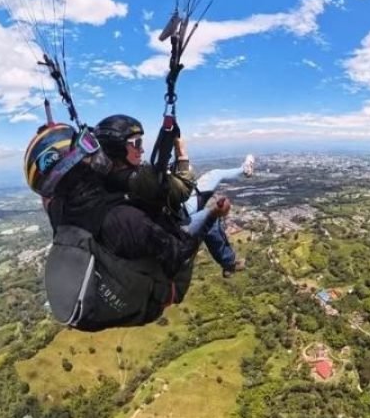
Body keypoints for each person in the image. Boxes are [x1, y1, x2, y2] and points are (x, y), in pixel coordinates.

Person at [24, 122, 230, 328]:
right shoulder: (126, 220)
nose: (97, 152)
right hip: (160, 294)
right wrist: (214, 214)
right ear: (80, 164)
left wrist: (50, 141)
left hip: (102, 286)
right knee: (198, 222)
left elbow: (50, 188)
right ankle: (227, 259)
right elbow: (180, 254)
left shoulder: (58, 209)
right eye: (88, 146)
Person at [94, 114, 252, 277]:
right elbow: (184, 189)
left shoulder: (104, 176)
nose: (141, 149)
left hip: (170, 213)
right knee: (212, 209)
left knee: (214, 175)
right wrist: (181, 150)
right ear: (117, 148)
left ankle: (244, 169)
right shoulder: (139, 180)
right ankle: (229, 263)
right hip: (173, 227)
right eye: (137, 143)